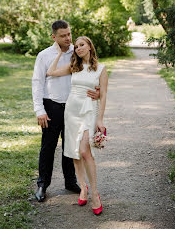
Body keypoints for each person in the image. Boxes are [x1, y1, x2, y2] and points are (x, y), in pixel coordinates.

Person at [32, 20, 99, 202]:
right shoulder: (44, 56)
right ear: (54, 37)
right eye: (63, 35)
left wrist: (97, 91)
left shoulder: (76, 52)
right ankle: (42, 185)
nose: (68, 38)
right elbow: (37, 83)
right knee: (48, 147)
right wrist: (39, 109)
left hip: (73, 107)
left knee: (71, 146)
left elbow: (90, 72)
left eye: (69, 34)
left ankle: (71, 182)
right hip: (51, 106)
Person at [47, 36, 108, 215]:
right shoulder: (74, 67)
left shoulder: (101, 69)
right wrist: (58, 54)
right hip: (72, 112)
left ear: (89, 46)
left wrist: (100, 119)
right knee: (74, 152)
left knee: (84, 151)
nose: (78, 48)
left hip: (89, 110)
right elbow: (51, 71)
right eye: (76, 46)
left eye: (82, 45)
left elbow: (103, 95)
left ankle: (95, 194)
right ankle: (83, 187)